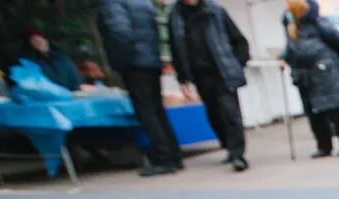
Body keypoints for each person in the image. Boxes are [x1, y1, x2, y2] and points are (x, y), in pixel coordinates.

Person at [98, 0, 182, 176]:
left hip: (135, 64)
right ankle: (173, 154)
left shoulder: (112, 3)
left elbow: (119, 33)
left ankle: (163, 157)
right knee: (157, 109)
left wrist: (121, 63)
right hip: (151, 61)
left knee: (146, 111)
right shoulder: (143, 2)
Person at [169, 0, 251, 172]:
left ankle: (238, 155)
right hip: (199, 74)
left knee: (230, 112)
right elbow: (175, 48)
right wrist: (183, 78)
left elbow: (239, 40)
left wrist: (237, 64)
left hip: (222, 72)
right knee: (214, 114)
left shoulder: (215, 10)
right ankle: (228, 146)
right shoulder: (175, 16)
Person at [282, 0, 339, 157]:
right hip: (305, 75)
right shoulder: (290, 25)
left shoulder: (318, 23)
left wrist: (338, 60)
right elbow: (291, 49)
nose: (285, 6)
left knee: (337, 111)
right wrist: (284, 58)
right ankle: (324, 146)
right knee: (314, 114)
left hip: (327, 72)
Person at [18, 29, 83, 92]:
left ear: (46, 40)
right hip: (49, 98)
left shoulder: (62, 58)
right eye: (34, 40)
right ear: (30, 44)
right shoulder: (28, 62)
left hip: (74, 95)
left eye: (40, 38)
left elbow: (75, 77)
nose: (39, 41)